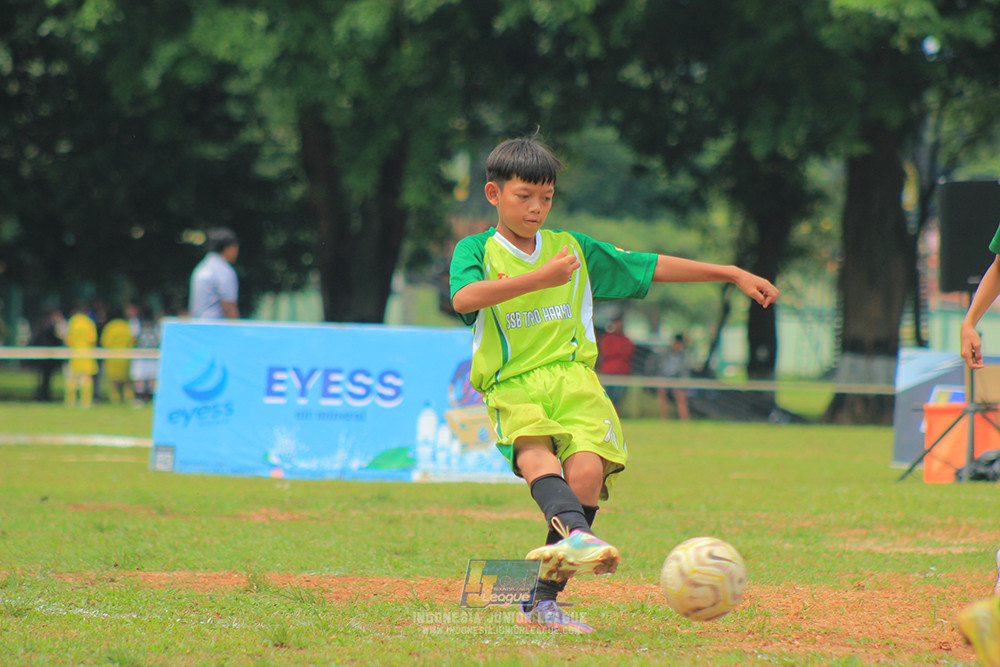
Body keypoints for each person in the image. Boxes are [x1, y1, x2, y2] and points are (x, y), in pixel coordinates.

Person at [449, 135, 778, 634]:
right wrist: (540, 279)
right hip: (513, 380)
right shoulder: (476, 249)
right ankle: (576, 538)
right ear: (494, 195)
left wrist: (729, 272)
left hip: (575, 379)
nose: (536, 208)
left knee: (586, 474)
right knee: (536, 453)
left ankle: (540, 599)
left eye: (547, 197)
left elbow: (649, 267)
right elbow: (465, 298)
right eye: (524, 197)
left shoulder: (573, 250)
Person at [189, 227, 240, 319]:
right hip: (215, 329)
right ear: (228, 247)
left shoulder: (201, 268)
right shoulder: (224, 270)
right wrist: (237, 332)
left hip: (198, 326)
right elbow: (229, 307)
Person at [596, 315, 634, 412]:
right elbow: (606, 352)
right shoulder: (607, 339)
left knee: (618, 396)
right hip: (608, 371)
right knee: (606, 396)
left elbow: (628, 352)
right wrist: (619, 350)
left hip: (621, 372)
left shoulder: (626, 340)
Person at [64, 302, 98, 408]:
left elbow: (68, 340)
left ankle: (70, 401)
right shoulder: (89, 323)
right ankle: (86, 402)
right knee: (86, 379)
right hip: (87, 354)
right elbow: (93, 340)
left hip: (74, 354)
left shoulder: (72, 322)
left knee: (71, 379)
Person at [29, 305, 66, 402]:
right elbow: (59, 338)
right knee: (46, 378)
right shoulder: (51, 326)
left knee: (43, 377)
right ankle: (44, 396)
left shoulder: (42, 324)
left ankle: (41, 395)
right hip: (48, 355)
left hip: (42, 354)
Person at [99, 310, 135, 404]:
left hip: (112, 356)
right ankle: (128, 398)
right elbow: (132, 341)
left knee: (114, 380)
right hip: (126, 356)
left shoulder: (109, 327)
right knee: (127, 380)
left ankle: (115, 399)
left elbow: (104, 341)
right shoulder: (126, 326)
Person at [657, 333, 691, 421]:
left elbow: (684, 371)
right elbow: (660, 366)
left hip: (677, 379)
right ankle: (664, 418)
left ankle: (684, 419)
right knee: (662, 393)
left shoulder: (683, 356)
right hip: (665, 378)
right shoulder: (666, 353)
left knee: (681, 396)